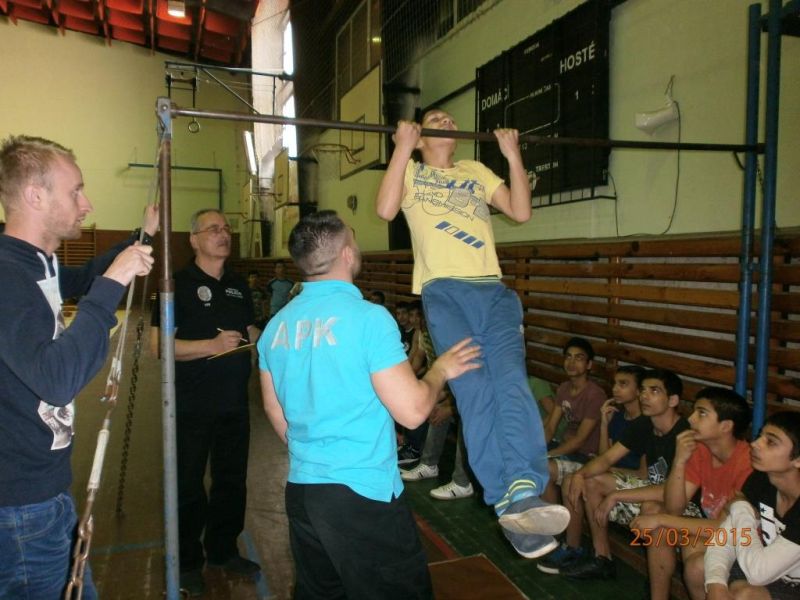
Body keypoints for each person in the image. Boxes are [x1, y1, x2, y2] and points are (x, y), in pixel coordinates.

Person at [257, 210, 481, 599]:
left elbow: (275, 411)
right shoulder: (369, 319)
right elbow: (413, 411)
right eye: (355, 239)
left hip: (304, 493)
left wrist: (317, 454)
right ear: (346, 253)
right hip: (362, 495)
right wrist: (440, 370)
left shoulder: (276, 326)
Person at [376, 108, 567, 558]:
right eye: (435, 118)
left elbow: (521, 211)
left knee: (511, 385)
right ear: (422, 137)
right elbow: (385, 209)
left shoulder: (475, 170)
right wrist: (402, 147)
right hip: (445, 293)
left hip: (492, 293)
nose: (445, 120)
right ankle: (504, 496)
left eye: (449, 118)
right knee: (476, 389)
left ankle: (523, 491)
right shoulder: (412, 170)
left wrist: (512, 154)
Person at [0, 134, 157, 599]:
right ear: (35, 196)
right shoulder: (8, 275)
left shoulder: (38, 263)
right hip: (21, 507)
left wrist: (140, 239)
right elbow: (57, 379)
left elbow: (85, 277)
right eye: (76, 192)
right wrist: (114, 283)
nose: (86, 205)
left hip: (43, 492)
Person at [150, 209, 261, 596]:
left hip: (234, 404)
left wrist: (271, 338)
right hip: (191, 405)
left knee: (231, 481)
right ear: (194, 239)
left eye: (226, 228)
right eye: (213, 229)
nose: (223, 234)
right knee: (188, 484)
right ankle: (186, 562)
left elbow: (250, 330)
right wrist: (211, 346)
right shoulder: (174, 285)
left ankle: (223, 550)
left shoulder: (237, 285)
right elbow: (157, 345)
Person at [555, 369, 691, 580]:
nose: (644, 396)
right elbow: (607, 458)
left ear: (673, 400)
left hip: (682, 504)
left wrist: (616, 495)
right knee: (590, 481)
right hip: (650, 489)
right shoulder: (644, 424)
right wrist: (580, 474)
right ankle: (602, 558)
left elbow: (672, 492)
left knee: (651, 507)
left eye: (654, 391)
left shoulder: (684, 435)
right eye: (643, 390)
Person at [631, 387, 752, 600]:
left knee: (689, 554)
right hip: (717, 531)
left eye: (701, 413)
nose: (691, 418)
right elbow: (674, 507)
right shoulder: (701, 449)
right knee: (659, 524)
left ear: (725, 426)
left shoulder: (747, 463)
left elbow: (725, 528)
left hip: (744, 539)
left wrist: (660, 519)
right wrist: (679, 460)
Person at [537, 364, 646, 576]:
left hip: (626, 478)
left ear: (638, 391)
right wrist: (604, 424)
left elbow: (642, 473)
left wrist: (605, 469)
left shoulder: (646, 423)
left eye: (623, 384)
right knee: (571, 480)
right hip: (609, 472)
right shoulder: (619, 416)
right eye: (615, 383)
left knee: (582, 480)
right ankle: (572, 547)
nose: (615, 389)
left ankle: (599, 556)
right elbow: (604, 454)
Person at [705, 411, 800, 600]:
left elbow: (758, 573)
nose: (755, 444)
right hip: (771, 569)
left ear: (798, 460)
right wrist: (715, 582)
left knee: (745, 594)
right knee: (701, 569)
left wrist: (740, 507)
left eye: (770, 442)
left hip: (792, 583)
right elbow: (725, 536)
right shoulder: (760, 480)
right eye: (759, 436)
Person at [542, 337, 607, 504]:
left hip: (585, 456)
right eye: (568, 357)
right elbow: (550, 428)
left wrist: (547, 455)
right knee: (523, 456)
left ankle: (552, 517)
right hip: (565, 448)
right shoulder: (564, 388)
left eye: (579, 358)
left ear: (589, 364)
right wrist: (536, 448)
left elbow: (579, 441)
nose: (571, 362)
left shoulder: (595, 395)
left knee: (542, 467)